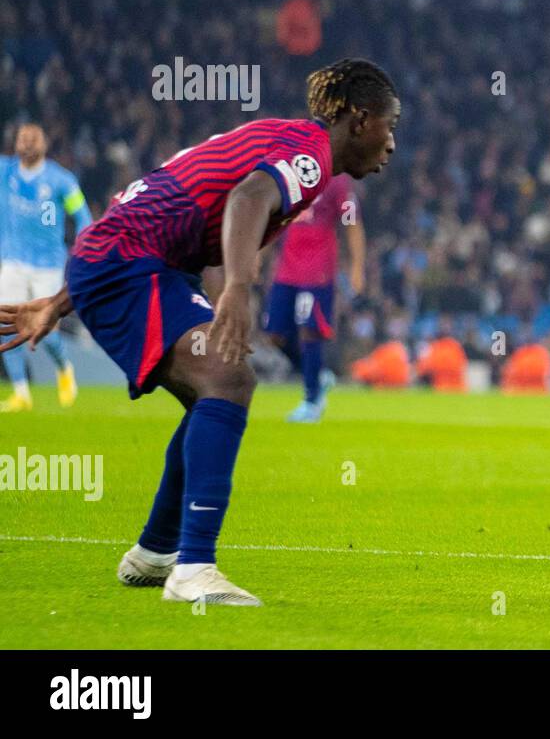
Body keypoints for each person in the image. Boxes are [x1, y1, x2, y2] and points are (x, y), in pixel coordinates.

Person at [0, 59, 400, 607]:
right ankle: (194, 569)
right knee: (229, 378)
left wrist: (61, 301)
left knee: (211, 390)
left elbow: (160, 209)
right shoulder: (309, 158)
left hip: (131, 258)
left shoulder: (294, 141)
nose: (392, 142)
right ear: (359, 119)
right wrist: (237, 287)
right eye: (389, 124)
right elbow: (247, 198)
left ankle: (158, 551)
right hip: (130, 261)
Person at [0, 124, 93, 412]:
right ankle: (21, 393)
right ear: (15, 144)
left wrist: (84, 248)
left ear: (44, 144)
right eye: (22, 139)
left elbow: (83, 216)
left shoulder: (61, 181)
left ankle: (64, 368)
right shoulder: (5, 171)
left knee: (46, 329)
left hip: (48, 265)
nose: (27, 144)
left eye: (32, 140)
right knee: (5, 326)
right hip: (13, 261)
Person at [263, 173, 365, 422]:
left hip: (318, 271)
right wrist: (259, 255)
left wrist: (356, 267)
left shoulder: (338, 181)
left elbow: (351, 223)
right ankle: (317, 376)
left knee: (310, 331)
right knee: (274, 335)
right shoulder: (290, 176)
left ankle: (312, 401)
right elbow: (272, 219)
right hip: (286, 269)